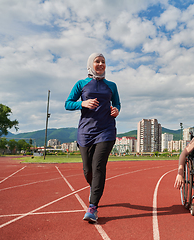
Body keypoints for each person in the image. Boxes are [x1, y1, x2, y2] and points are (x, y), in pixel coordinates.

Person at [65, 53, 120, 222]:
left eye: (103, 62)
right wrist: (82, 103)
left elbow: (117, 103)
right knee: (87, 170)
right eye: (97, 61)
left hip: (106, 131)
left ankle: (92, 207)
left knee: (98, 167)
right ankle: (95, 187)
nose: (101, 64)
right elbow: (67, 103)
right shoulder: (81, 84)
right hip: (86, 132)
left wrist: (116, 110)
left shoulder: (111, 85)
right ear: (91, 64)